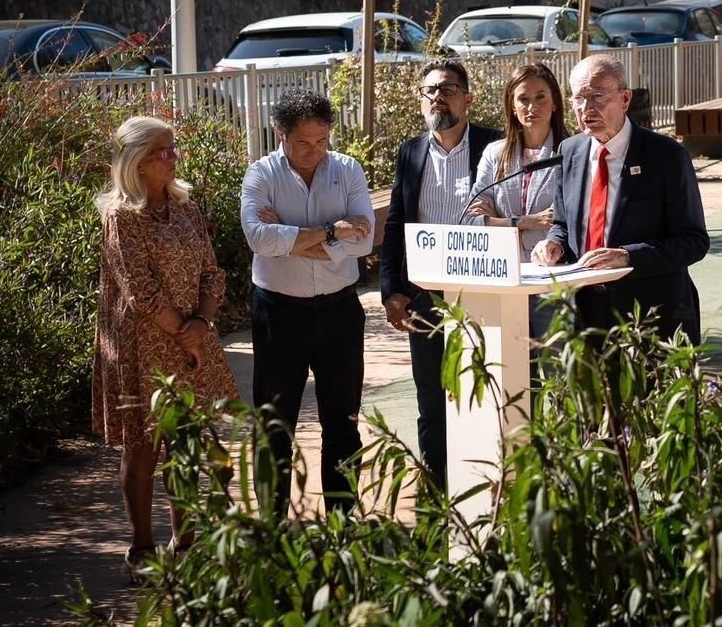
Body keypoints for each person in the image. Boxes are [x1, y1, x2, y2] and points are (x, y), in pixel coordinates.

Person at [93, 115, 238, 569]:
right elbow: (139, 289)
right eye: (160, 151)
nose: (171, 157)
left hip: (192, 336)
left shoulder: (187, 207)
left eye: (172, 147)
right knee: (143, 445)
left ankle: (187, 542)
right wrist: (185, 333)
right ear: (134, 162)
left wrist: (202, 324)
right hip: (143, 343)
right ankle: (141, 547)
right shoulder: (122, 218)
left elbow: (213, 273)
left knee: (188, 442)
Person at [240, 87, 374, 516]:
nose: (314, 150)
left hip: (339, 311)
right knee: (275, 422)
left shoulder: (348, 170)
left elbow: (366, 237)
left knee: (343, 422)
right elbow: (258, 238)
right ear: (280, 134)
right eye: (303, 142)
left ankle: (342, 519)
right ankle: (272, 522)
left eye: (321, 140)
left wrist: (294, 236)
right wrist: (334, 231)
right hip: (279, 313)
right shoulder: (260, 175)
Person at [378, 60, 502, 491]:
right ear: (420, 99)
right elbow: (396, 224)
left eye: (448, 89)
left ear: (467, 98)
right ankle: (435, 493)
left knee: (484, 394)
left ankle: (486, 491)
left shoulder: (495, 146)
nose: (438, 97)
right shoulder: (410, 152)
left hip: (484, 291)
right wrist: (392, 290)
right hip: (427, 296)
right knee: (432, 400)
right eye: (430, 90)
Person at [531, 55, 709, 343]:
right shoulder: (570, 151)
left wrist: (628, 256)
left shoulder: (666, 156)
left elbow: (693, 241)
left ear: (625, 99)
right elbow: (563, 225)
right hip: (585, 317)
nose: (586, 108)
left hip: (652, 319)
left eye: (597, 96)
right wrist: (554, 245)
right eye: (579, 98)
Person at [460, 61, 567, 343]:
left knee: (556, 371)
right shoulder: (495, 154)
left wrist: (494, 217)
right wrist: (524, 222)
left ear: (554, 102)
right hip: (505, 276)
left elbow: (568, 217)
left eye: (540, 97)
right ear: (512, 106)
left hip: (554, 279)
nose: (532, 107)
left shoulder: (572, 151)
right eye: (523, 99)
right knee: (511, 372)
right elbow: (471, 219)